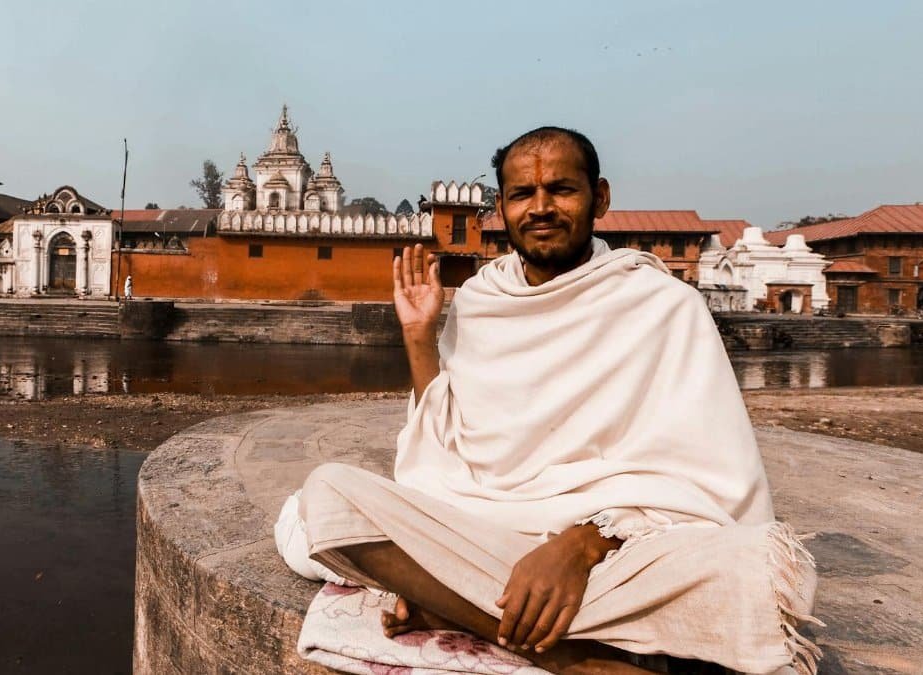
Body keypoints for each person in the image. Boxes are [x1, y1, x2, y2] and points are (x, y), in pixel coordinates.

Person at [277, 127, 819, 674]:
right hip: (486, 528)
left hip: (614, 554)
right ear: (501, 208)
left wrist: (580, 546)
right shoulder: (482, 301)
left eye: (561, 189)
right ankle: (570, 656)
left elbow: (710, 484)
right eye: (521, 195)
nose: (540, 208)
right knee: (326, 498)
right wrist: (419, 335)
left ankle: (453, 605)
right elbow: (443, 446)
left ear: (599, 198)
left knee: (750, 574)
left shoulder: (661, 305)